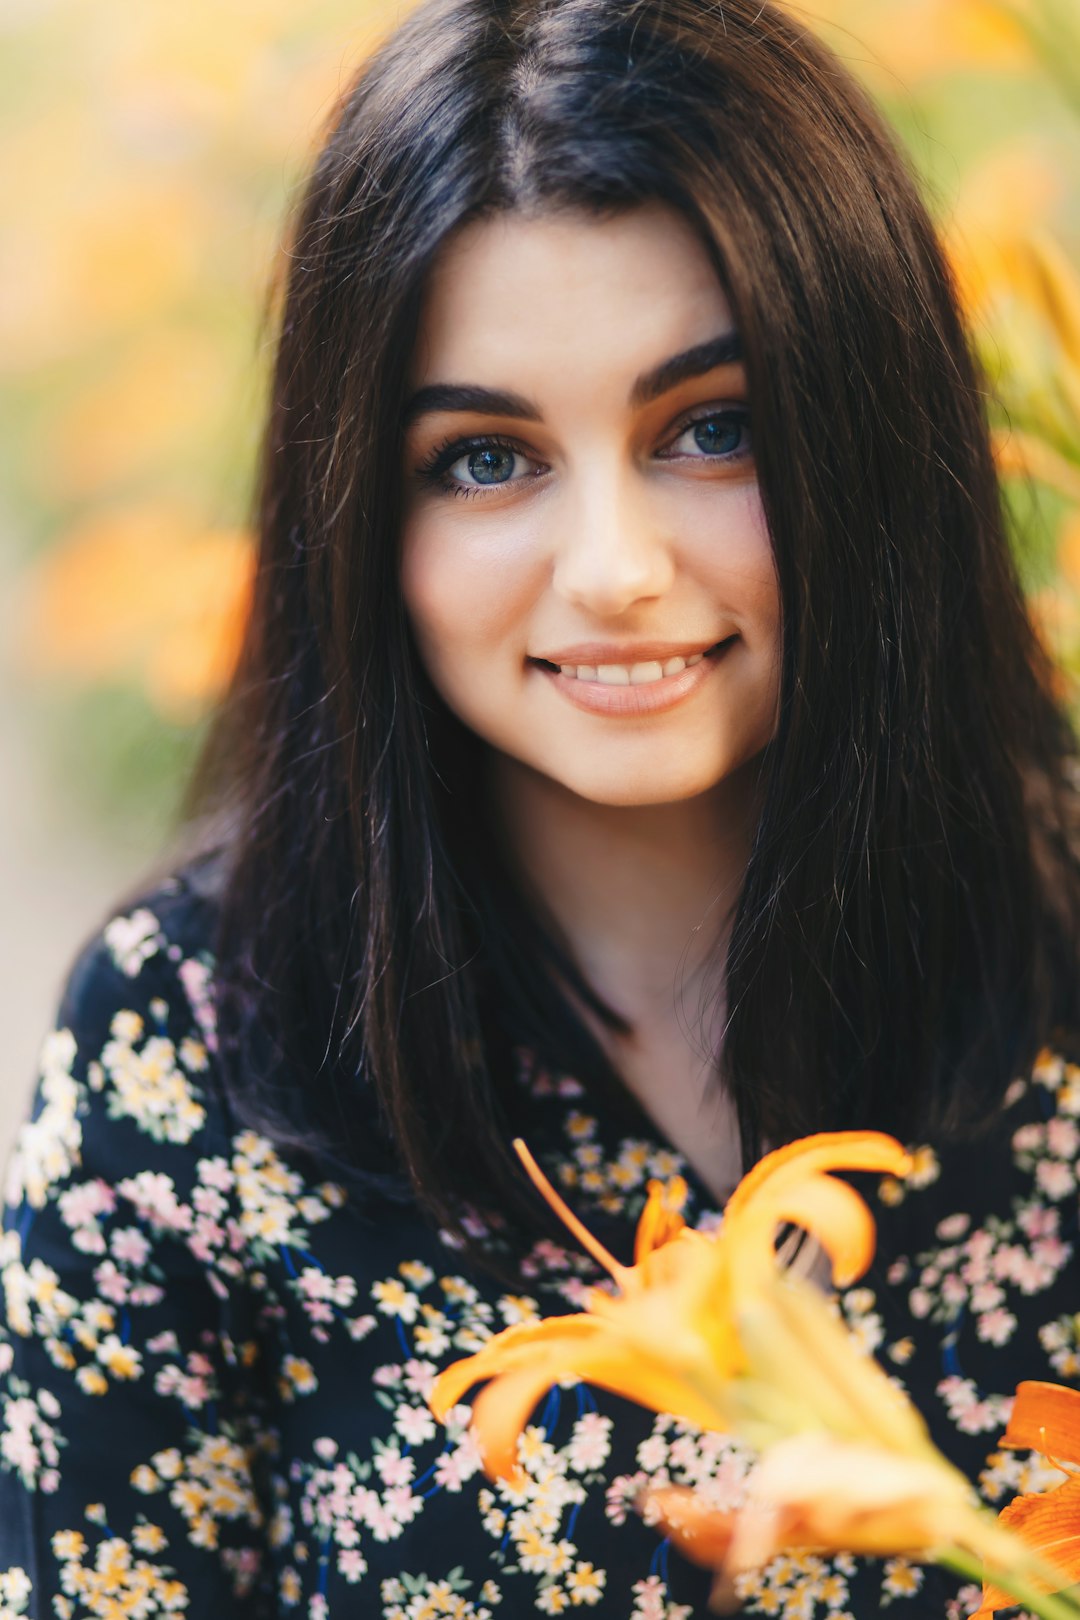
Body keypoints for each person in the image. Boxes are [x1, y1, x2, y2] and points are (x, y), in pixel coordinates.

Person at [3, 0, 1080, 1613]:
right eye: (488, 460)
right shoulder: (193, 1047)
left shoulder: (1053, 946)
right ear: (365, 510)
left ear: (869, 435)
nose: (618, 573)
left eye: (713, 430)